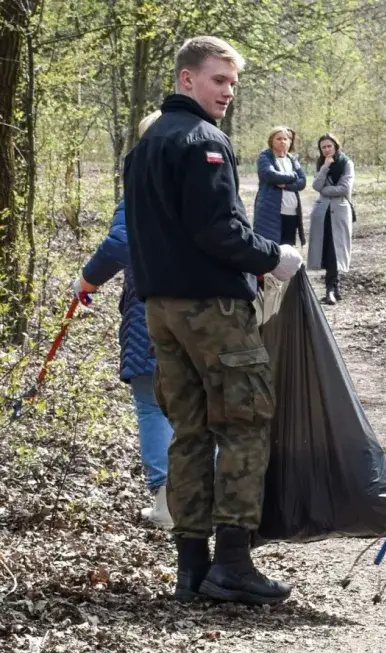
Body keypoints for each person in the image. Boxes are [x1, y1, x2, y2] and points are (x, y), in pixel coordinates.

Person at [123, 35, 304, 605]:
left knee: (189, 433)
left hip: (159, 311)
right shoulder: (204, 141)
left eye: (232, 82)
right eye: (218, 80)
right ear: (186, 81)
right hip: (212, 310)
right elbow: (218, 230)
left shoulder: (143, 148)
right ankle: (232, 562)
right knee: (246, 422)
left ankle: (190, 567)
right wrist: (274, 257)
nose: (227, 91)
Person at [72, 111, 174, 529]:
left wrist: (86, 280)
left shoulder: (141, 187)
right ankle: (205, 501)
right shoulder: (204, 186)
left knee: (153, 406)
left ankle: (168, 505)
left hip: (149, 311)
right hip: (204, 315)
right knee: (198, 408)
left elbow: (120, 243)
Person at [306, 133, 354, 305]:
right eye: (323, 147)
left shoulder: (346, 163)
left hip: (340, 210)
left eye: (329, 146)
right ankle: (334, 288)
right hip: (322, 212)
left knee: (336, 249)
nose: (327, 150)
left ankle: (331, 289)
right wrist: (325, 167)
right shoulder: (320, 164)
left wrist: (326, 191)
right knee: (326, 248)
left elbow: (344, 188)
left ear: (335, 146)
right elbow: (316, 185)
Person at [253, 126, 307, 247]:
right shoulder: (265, 157)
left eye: (285, 139)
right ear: (271, 141)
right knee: (270, 249)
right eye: (278, 139)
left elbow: (302, 182)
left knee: (287, 250)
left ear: (290, 142)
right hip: (270, 212)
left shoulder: (292, 160)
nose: (282, 141)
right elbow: (271, 175)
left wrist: (286, 185)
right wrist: (293, 176)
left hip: (291, 213)